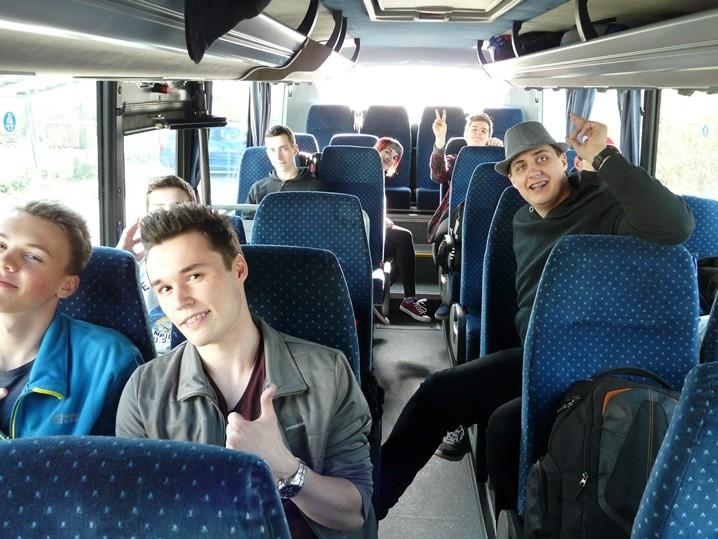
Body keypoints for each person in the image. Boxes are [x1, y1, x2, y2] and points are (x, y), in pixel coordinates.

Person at [375, 114, 694, 519]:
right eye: (521, 166)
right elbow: (528, 302)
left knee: (505, 427)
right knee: (437, 393)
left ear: (564, 160)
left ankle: (526, 524)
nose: (533, 172)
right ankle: (368, 506)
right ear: (512, 180)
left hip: (606, 363)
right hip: (542, 358)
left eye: (542, 158)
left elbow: (676, 226)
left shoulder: (601, 201)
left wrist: (603, 156)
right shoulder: (521, 218)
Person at [116, 204, 376, 539]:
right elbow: (135, 517)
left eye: (194, 276)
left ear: (238, 268)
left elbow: (354, 515)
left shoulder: (328, 373)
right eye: (165, 288)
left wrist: (286, 469)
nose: (179, 300)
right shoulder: (144, 392)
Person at [0, 201, 142, 438]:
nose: (5, 260)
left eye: (32, 256)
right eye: (1, 245)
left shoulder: (109, 363)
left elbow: (123, 459)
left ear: (66, 286)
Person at [428, 110, 503, 321]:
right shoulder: (456, 159)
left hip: (491, 215)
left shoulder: (500, 160)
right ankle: (450, 298)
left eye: (483, 130)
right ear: (466, 134)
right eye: (474, 129)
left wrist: (502, 153)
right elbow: (438, 174)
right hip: (456, 216)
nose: (478, 133)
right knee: (446, 240)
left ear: (489, 136)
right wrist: (440, 140)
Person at [116, 174, 197, 353]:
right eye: (158, 210)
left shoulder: (205, 264)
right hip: (141, 355)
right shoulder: (131, 265)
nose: (167, 216)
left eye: (177, 208)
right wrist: (118, 261)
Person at [373, 137, 430, 324]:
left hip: (373, 227)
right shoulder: (366, 174)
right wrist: (380, 221)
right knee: (404, 238)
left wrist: (382, 219)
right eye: (387, 152)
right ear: (377, 150)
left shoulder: (378, 175)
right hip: (361, 229)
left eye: (394, 157)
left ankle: (376, 298)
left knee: (401, 247)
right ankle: (406, 299)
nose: (390, 158)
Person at [245, 124, 325, 207]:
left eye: (284, 149)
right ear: (268, 154)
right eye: (273, 150)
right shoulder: (257, 189)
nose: (278, 157)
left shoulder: (314, 189)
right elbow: (247, 215)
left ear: (295, 150)